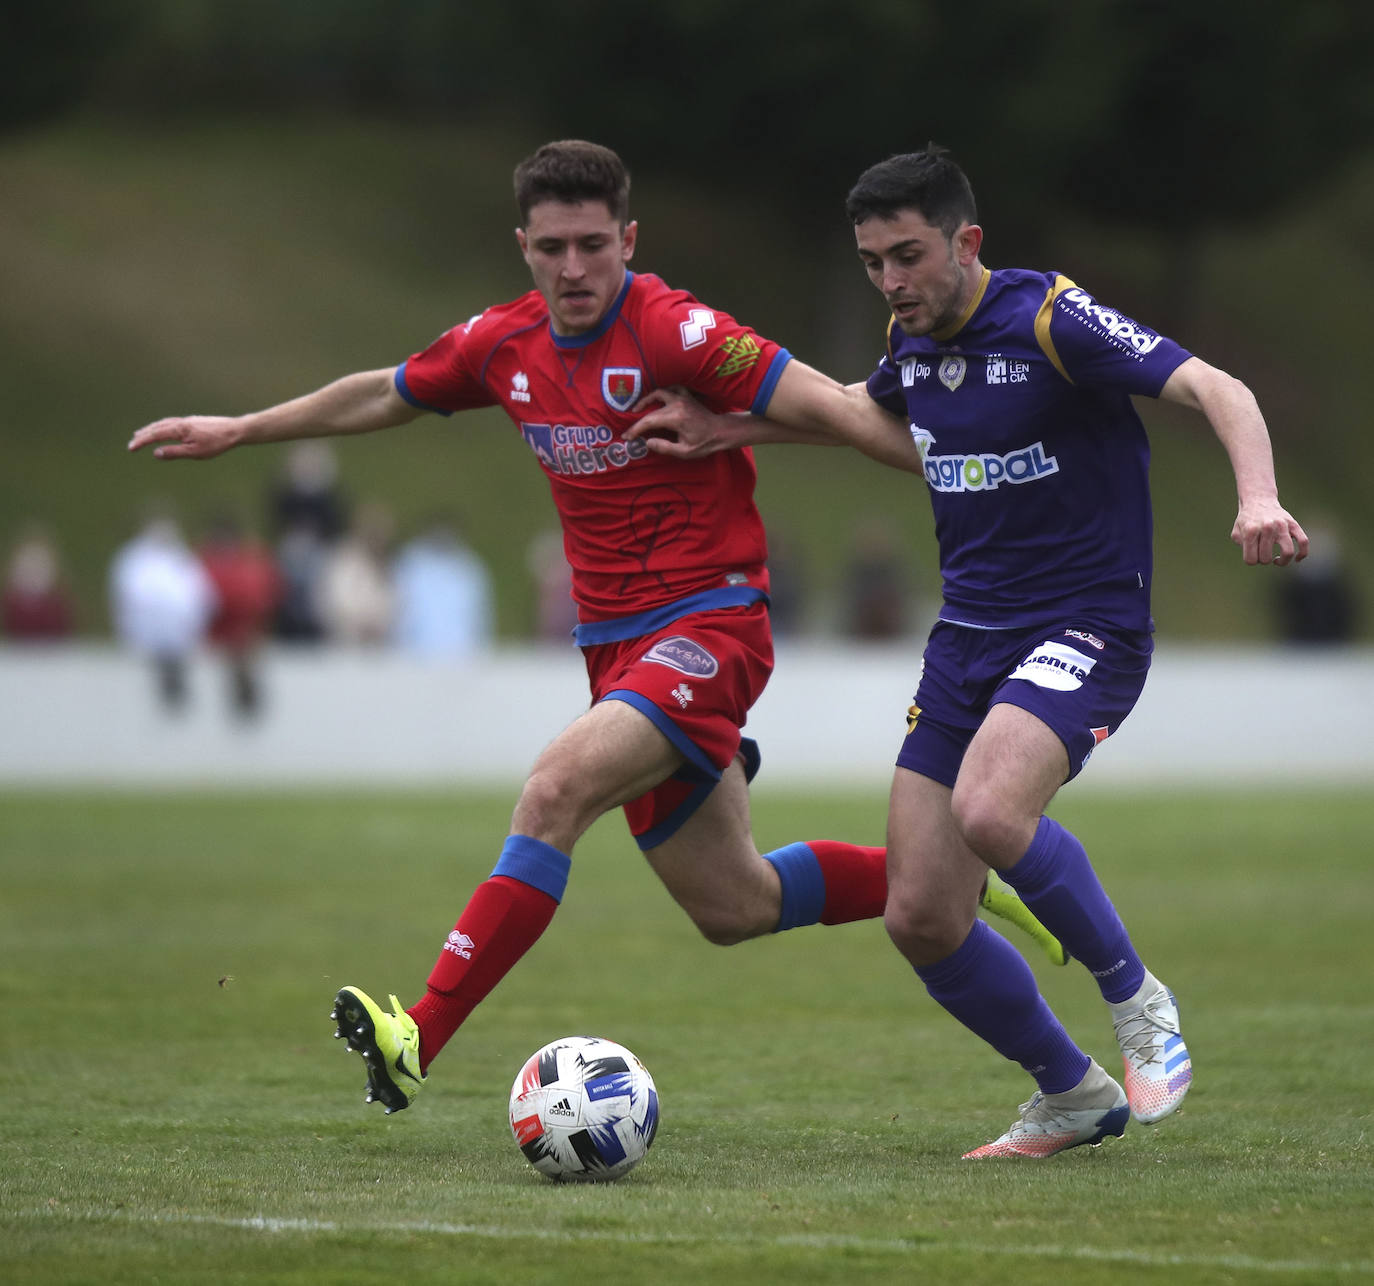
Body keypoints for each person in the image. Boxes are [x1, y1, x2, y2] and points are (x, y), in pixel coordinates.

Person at [127, 140, 1062, 1118]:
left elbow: (834, 405)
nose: (573, 270)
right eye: (551, 248)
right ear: (523, 245)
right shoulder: (503, 343)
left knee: (554, 787)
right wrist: (242, 427)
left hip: (712, 625)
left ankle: (418, 1034)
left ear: (628, 238)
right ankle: (934, 876)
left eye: (592, 246)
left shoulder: (679, 331)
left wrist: (953, 456)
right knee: (734, 903)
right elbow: (386, 389)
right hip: (615, 646)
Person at [628, 145, 1308, 1157]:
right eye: (872, 262)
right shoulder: (913, 349)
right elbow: (873, 422)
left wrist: (1258, 494)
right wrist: (732, 427)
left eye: (909, 255)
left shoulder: (1050, 317)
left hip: (1087, 623)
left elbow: (1219, 386)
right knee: (921, 912)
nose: (892, 281)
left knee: (992, 807)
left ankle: (1138, 1001)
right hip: (968, 639)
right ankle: (1072, 1094)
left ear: (967, 241)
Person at [109, 507, 217, 713]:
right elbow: (127, 598)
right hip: (144, 641)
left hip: (182, 641)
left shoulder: (183, 558)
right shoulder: (132, 559)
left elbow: (204, 598)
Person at [198, 511, 283, 718]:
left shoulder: (251, 564)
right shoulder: (204, 565)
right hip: (216, 639)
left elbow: (266, 597)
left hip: (245, 636)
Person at [392, 515, 494, 657]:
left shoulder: (470, 566)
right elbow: (399, 612)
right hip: (416, 656)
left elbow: (480, 616)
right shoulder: (410, 563)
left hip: (462, 656)